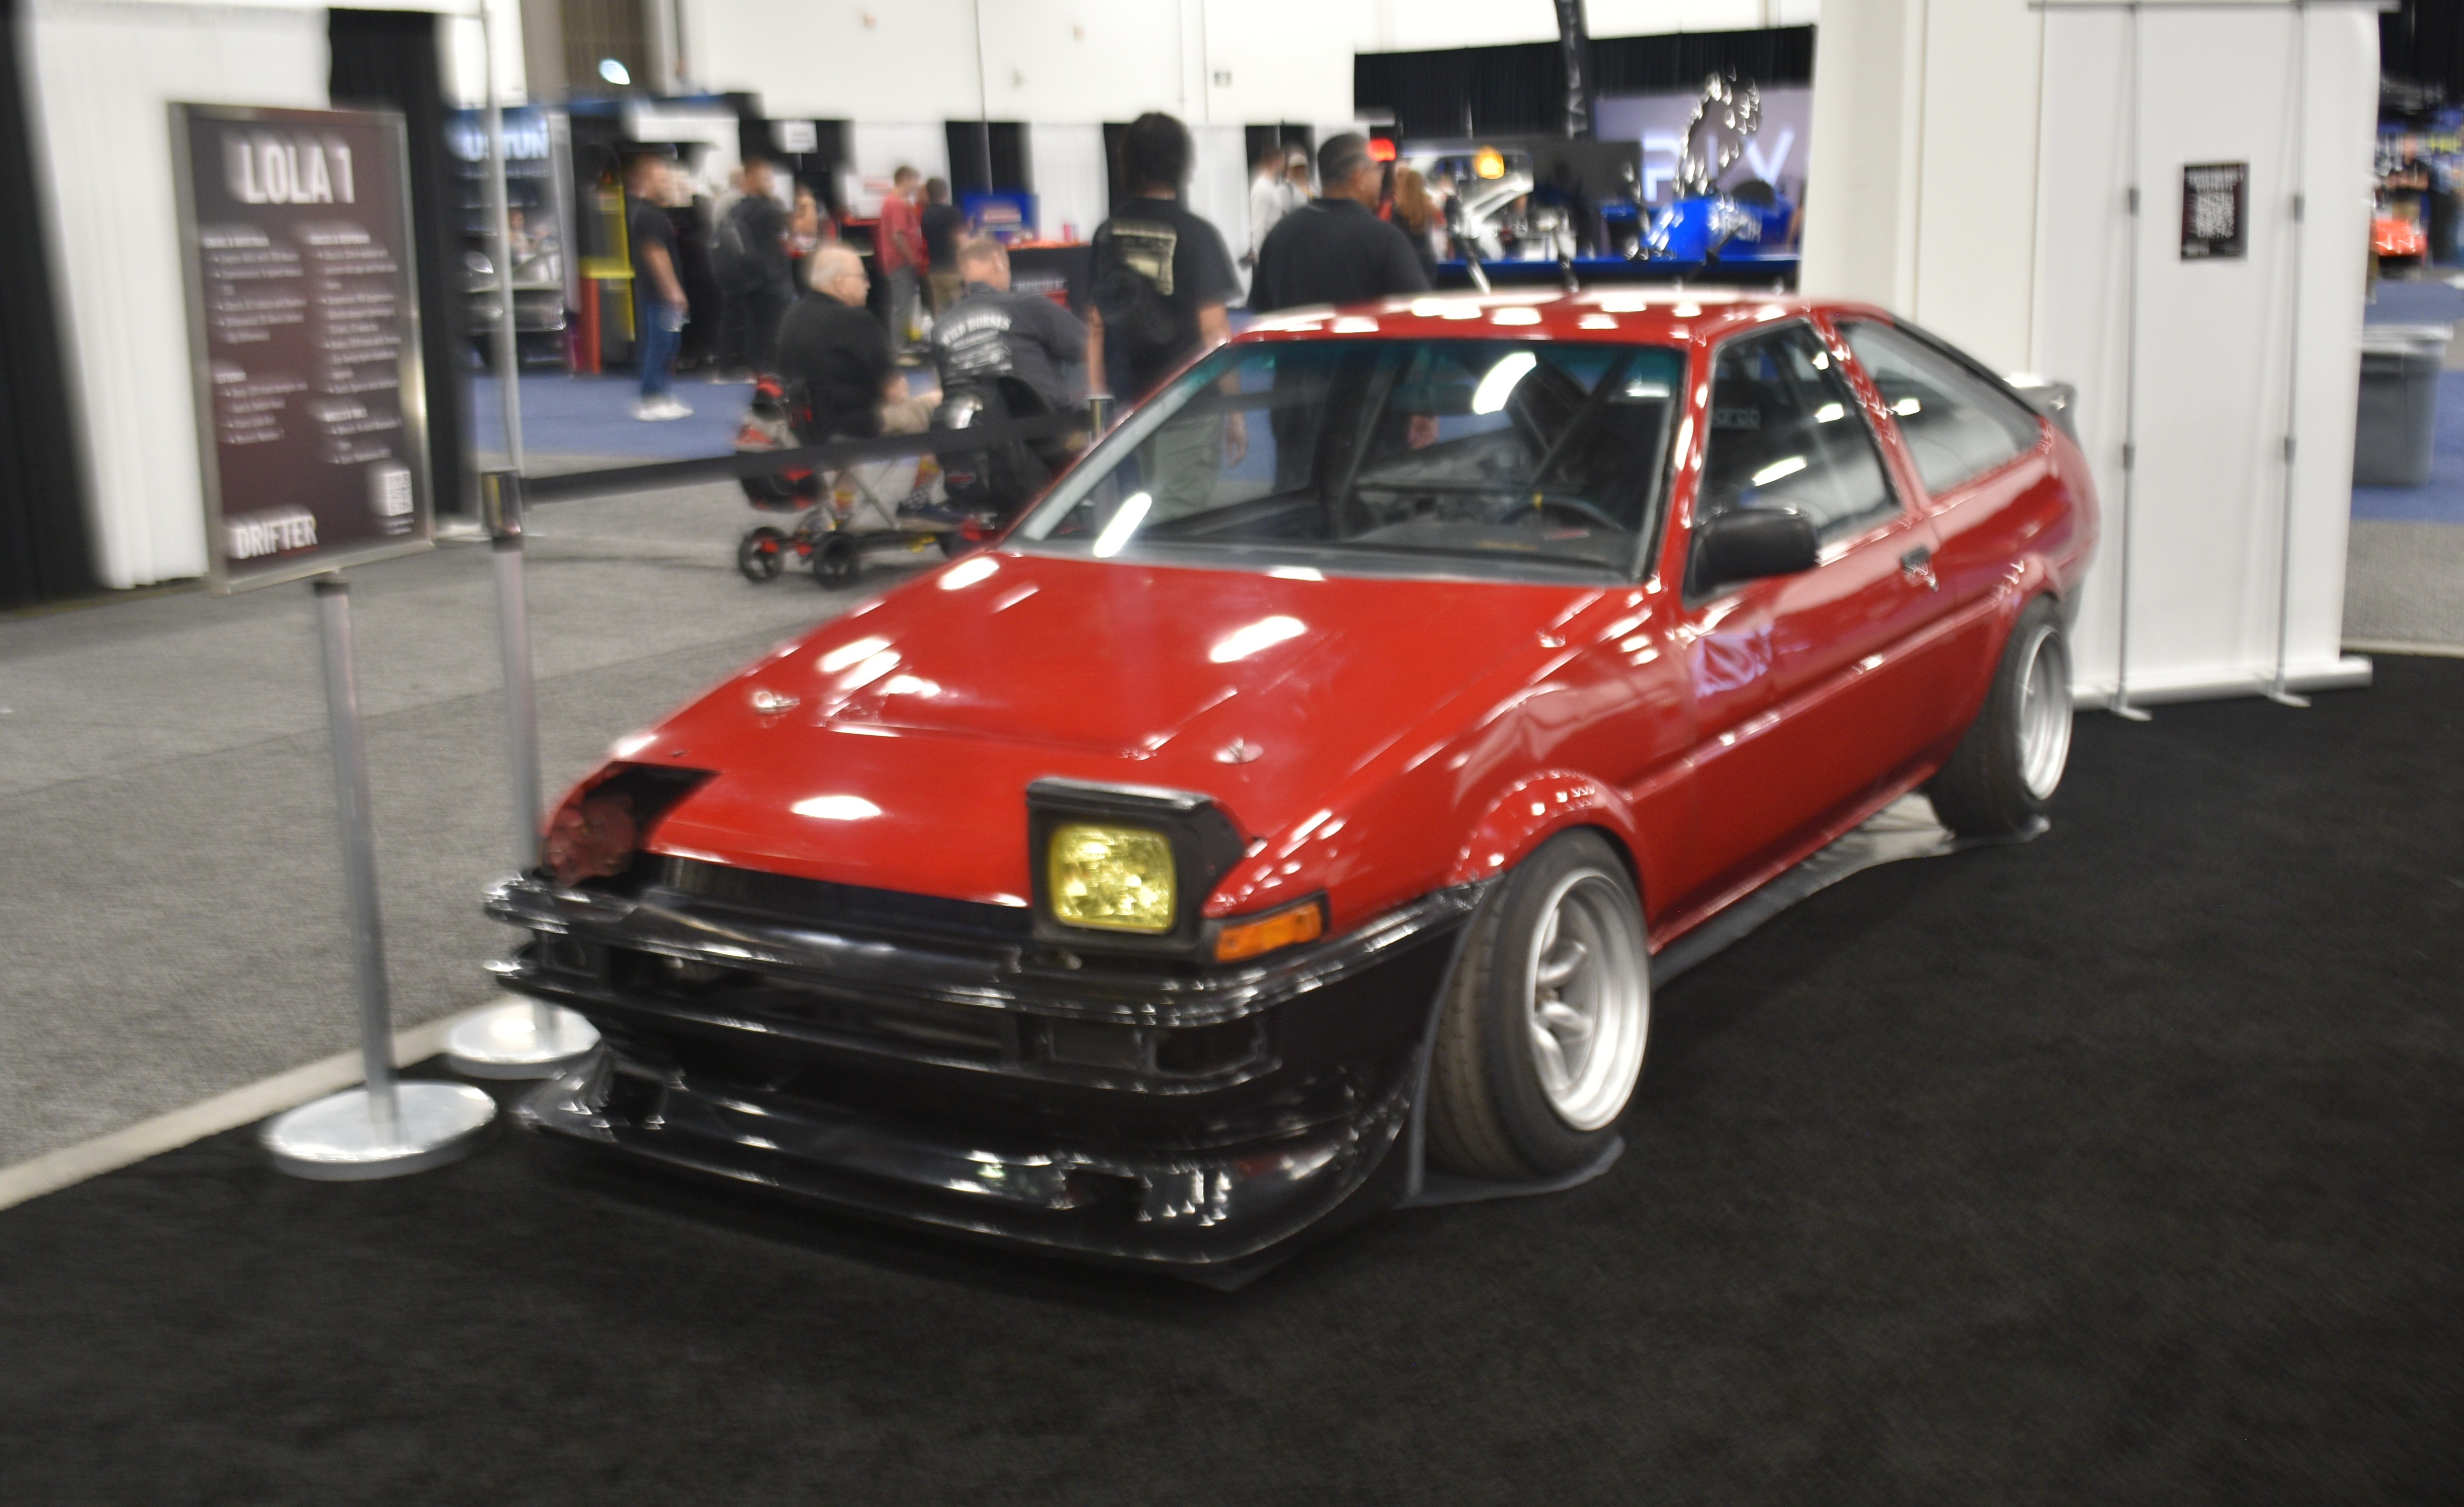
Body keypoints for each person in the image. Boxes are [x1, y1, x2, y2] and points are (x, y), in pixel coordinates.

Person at [1085, 112, 1246, 519]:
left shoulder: (1107, 233)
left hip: (1127, 397)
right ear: (1181, 162)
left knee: (1133, 508)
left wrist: (1099, 403)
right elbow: (1215, 331)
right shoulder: (1196, 234)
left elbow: (1096, 325)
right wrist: (1235, 407)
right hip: (1187, 397)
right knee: (1178, 512)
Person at [1250, 133, 1432, 315]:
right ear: (1359, 178)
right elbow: (1420, 311)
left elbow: (1259, 313)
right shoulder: (1384, 239)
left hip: (1295, 334)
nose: (1381, 178)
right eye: (1378, 170)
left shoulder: (1280, 236)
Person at [773, 244, 935, 443]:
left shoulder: (792, 317)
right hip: (860, 429)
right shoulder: (858, 321)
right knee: (940, 404)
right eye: (862, 277)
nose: (868, 285)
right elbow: (895, 392)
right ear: (840, 284)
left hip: (803, 429)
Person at [930, 236, 1087, 414]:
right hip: (1043, 424)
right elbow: (1089, 346)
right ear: (997, 261)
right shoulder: (1029, 306)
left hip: (971, 427)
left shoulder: (940, 329)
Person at [624, 154, 690, 420]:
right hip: (658, 295)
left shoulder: (657, 213)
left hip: (663, 296)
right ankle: (649, 398)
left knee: (669, 345)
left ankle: (662, 394)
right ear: (647, 182)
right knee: (659, 345)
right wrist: (673, 291)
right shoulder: (648, 215)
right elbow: (655, 255)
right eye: (661, 180)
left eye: (667, 179)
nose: (667, 185)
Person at [718, 157, 795, 378]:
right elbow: (788, 238)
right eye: (767, 179)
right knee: (776, 331)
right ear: (751, 180)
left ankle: (757, 371)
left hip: (747, 281)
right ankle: (773, 374)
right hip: (773, 280)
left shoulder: (735, 210)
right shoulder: (770, 210)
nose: (771, 184)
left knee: (755, 330)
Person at [875, 165, 927, 360]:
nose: (916, 186)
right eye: (914, 181)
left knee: (902, 303)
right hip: (900, 263)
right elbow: (898, 235)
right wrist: (913, 259)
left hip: (897, 262)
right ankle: (899, 348)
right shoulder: (897, 204)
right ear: (904, 179)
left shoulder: (893, 202)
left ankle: (902, 343)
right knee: (902, 304)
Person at [1247, 142, 1300, 265]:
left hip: (1276, 248)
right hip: (1268, 252)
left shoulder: (1272, 186)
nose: (1284, 164)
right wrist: (1260, 258)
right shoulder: (1262, 189)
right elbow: (1258, 225)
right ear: (1275, 162)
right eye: (1283, 160)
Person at [920, 177, 965, 317]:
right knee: (960, 309)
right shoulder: (953, 213)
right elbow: (961, 240)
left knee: (940, 310)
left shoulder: (926, 215)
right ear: (946, 193)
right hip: (952, 269)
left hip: (934, 271)